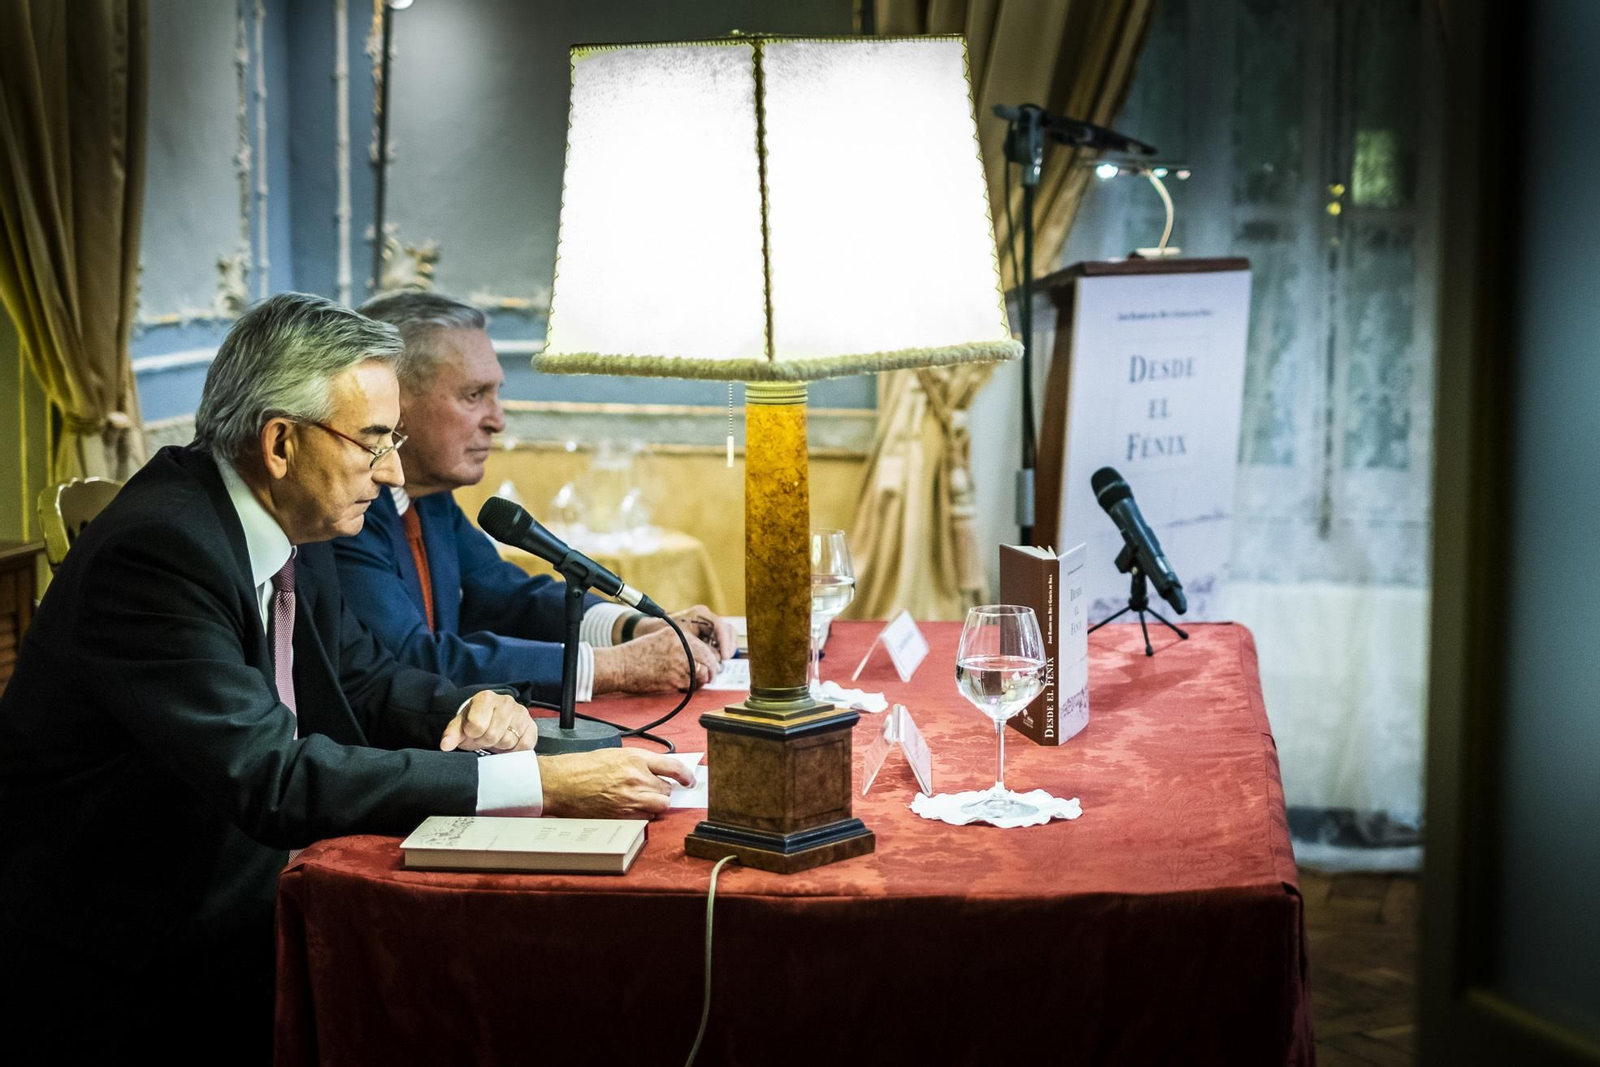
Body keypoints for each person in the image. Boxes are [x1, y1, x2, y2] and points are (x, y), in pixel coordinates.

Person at [0, 292, 693, 1060]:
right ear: (281, 444)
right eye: (372, 440)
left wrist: (486, 710)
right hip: (136, 962)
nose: (392, 468)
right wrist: (541, 785)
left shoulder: (293, 521)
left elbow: (367, 682)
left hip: (242, 898)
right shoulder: (163, 551)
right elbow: (272, 779)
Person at [337, 291, 733, 704]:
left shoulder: (429, 498)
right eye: (474, 395)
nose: (498, 420)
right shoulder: (346, 510)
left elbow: (510, 598)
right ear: (392, 399)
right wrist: (613, 667)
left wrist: (634, 626)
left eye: (496, 393)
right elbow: (413, 660)